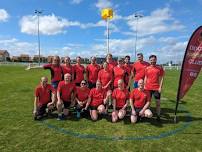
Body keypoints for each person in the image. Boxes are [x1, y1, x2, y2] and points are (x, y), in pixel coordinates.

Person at [144, 55, 164, 121]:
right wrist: (144, 85)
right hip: (148, 88)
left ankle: (158, 116)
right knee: (148, 103)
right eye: (151, 60)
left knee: (158, 103)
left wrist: (160, 87)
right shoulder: (147, 68)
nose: (153, 61)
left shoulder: (159, 68)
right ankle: (147, 115)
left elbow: (161, 78)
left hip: (156, 88)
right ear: (149, 61)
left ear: (156, 60)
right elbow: (146, 77)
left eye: (154, 60)